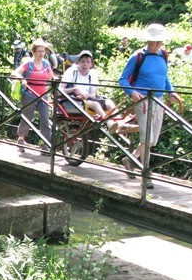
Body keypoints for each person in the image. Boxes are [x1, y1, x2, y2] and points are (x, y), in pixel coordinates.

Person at [118, 23, 182, 189]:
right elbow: (123, 79)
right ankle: (146, 174)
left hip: (158, 100)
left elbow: (164, 78)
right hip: (142, 100)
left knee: (152, 140)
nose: (157, 45)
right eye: (154, 41)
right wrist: (132, 92)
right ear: (148, 41)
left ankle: (130, 160)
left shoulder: (163, 56)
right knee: (147, 137)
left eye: (159, 41)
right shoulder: (138, 56)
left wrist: (171, 92)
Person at [12, 38, 56, 154]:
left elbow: (52, 77)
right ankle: (21, 139)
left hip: (43, 95)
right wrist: (22, 79)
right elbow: (15, 73)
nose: (41, 53)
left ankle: (46, 144)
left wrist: (57, 85)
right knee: (27, 117)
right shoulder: (29, 63)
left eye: (43, 51)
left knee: (45, 119)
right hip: (29, 94)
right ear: (34, 52)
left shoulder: (46, 64)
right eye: (39, 51)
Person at [60, 50, 115, 119]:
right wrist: (74, 89)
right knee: (95, 104)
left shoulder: (93, 74)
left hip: (89, 99)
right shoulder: (71, 72)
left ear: (91, 64)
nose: (85, 64)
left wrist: (87, 95)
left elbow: (93, 95)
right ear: (78, 62)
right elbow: (59, 90)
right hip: (75, 101)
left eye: (88, 62)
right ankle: (109, 123)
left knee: (109, 103)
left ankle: (120, 124)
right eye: (82, 61)